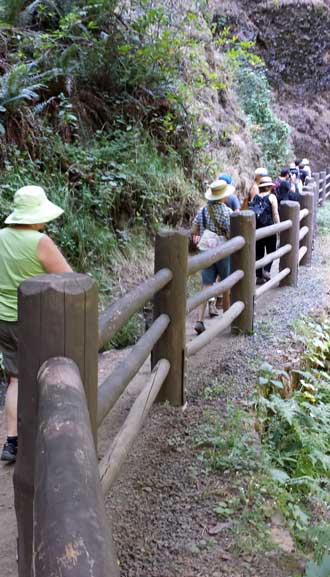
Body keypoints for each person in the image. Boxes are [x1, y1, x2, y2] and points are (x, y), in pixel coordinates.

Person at [0, 186, 72, 462]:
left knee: (16, 378)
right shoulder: (40, 242)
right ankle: (47, 437)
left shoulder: (1, 237)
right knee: (47, 373)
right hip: (35, 320)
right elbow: (70, 279)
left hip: (4, 320)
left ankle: (13, 442)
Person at [191, 180, 233, 334]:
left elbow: (194, 229)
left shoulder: (203, 210)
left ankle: (199, 320)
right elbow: (231, 233)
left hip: (207, 252)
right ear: (224, 196)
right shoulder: (227, 212)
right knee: (226, 283)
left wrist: (202, 234)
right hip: (222, 251)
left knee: (206, 284)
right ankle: (227, 317)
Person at [250, 176, 280, 284]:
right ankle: (267, 270)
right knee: (271, 250)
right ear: (269, 187)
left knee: (259, 253)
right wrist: (278, 227)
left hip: (257, 230)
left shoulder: (255, 197)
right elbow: (275, 214)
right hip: (269, 228)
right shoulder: (272, 197)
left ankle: (259, 276)